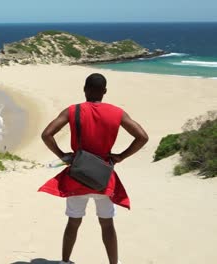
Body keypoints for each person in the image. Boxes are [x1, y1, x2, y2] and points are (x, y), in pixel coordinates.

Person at [38, 73, 149, 264]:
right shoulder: (117, 113)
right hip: (103, 177)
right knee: (107, 224)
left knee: (73, 222)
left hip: (77, 175)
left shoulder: (73, 110)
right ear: (104, 91)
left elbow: (47, 134)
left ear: (84, 89)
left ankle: (65, 261)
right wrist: (121, 156)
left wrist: (63, 156)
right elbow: (142, 137)